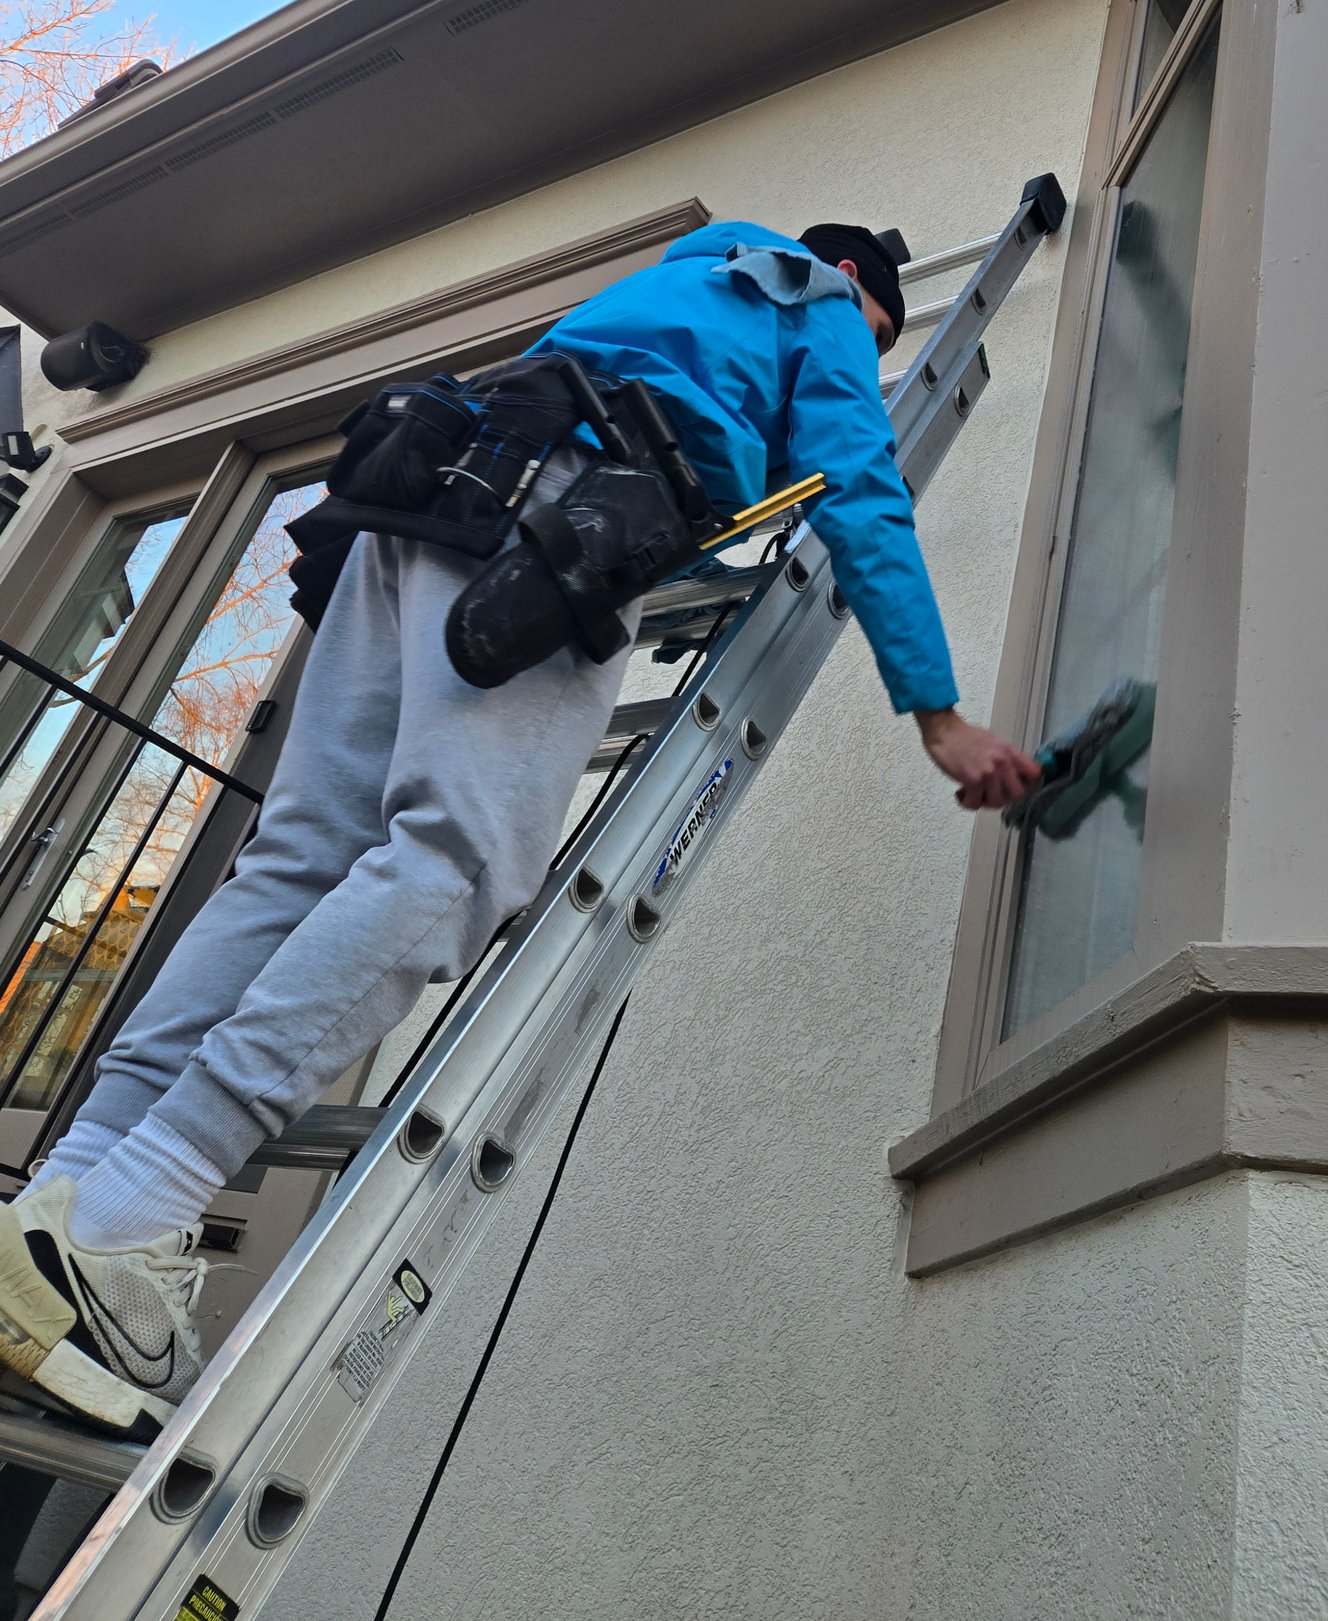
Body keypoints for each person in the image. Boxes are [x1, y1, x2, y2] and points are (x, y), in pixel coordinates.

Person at [0, 220, 1040, 1435]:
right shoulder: (812, 302)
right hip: (549, 519)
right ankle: (134, 1217)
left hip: (422, 497)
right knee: (458, 860)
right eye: (878, 334)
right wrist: (938, 713)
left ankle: (58, 1205)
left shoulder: (674, 284)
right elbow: (861, 495)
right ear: (859, 284)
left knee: (298, 862)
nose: (867, 358)